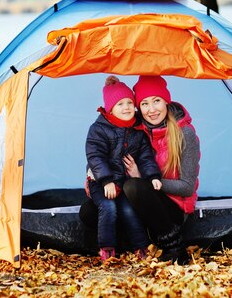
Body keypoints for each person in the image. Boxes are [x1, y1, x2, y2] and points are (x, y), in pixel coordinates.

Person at [121, 75, 200, 265]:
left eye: (156, 101)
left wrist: (145, 179)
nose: (152, 110)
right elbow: (104, 140)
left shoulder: (185, 133)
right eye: (145, 103)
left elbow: (187, 187)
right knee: (89, 211)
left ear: (166, 101)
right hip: (142, 202)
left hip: (173, 207)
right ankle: (132, 244)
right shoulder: (135, 130)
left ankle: (175, 247)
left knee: (134, 186)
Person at [85, 75, 162, 262]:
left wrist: (152, 176)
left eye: (129, 102)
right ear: (110, 109)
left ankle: (141, 247)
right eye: (120, 104)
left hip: (124, 182)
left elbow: (145, 156)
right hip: (100, 182)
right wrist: (106, 180)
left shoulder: (137, 129)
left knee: (128, 210)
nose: (126, 107)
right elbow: (95, 156)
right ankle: (107, 248)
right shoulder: (99, 129)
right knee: (108, 207)